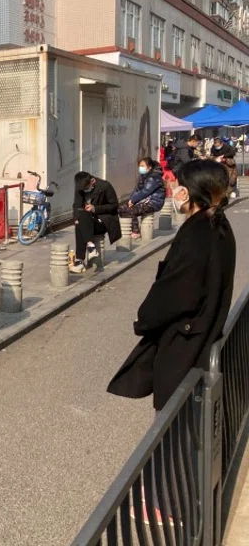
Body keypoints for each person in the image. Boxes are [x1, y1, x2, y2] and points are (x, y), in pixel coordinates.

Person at [108, 159, 235, 412]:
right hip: (203, 332)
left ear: (187, 192)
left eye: (176, 186)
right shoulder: (218, 225)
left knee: (174, 423)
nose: (174, 192)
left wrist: (144, 319)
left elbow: (175, 292)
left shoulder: (198, 233)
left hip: (184, 344)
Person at [70, 171, 121, 274]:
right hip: (88, 220)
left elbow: (114, 205)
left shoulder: (105, 186)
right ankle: (90, 248)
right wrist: (76, 218)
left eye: (87, 188)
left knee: (81, 223)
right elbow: (77, 205)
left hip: (103, 220)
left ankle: (80, 261)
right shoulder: (80, 188)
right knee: (80, 219)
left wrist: (95, 208)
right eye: (83, 189)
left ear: (92, 181)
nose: (85, 191)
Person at [117, 157, 166, 239]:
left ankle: (136, 231)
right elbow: (137, 189)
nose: (141, 168)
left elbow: (146, 191)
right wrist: (131, 200)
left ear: (149, 167)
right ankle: (129, 231)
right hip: (144, 201)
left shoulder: (154, 177)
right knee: (121, 209)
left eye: (143, 166)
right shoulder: (143, 176)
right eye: (140, 166)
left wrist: (133, 201)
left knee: (130, 210)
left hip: (153, 202)